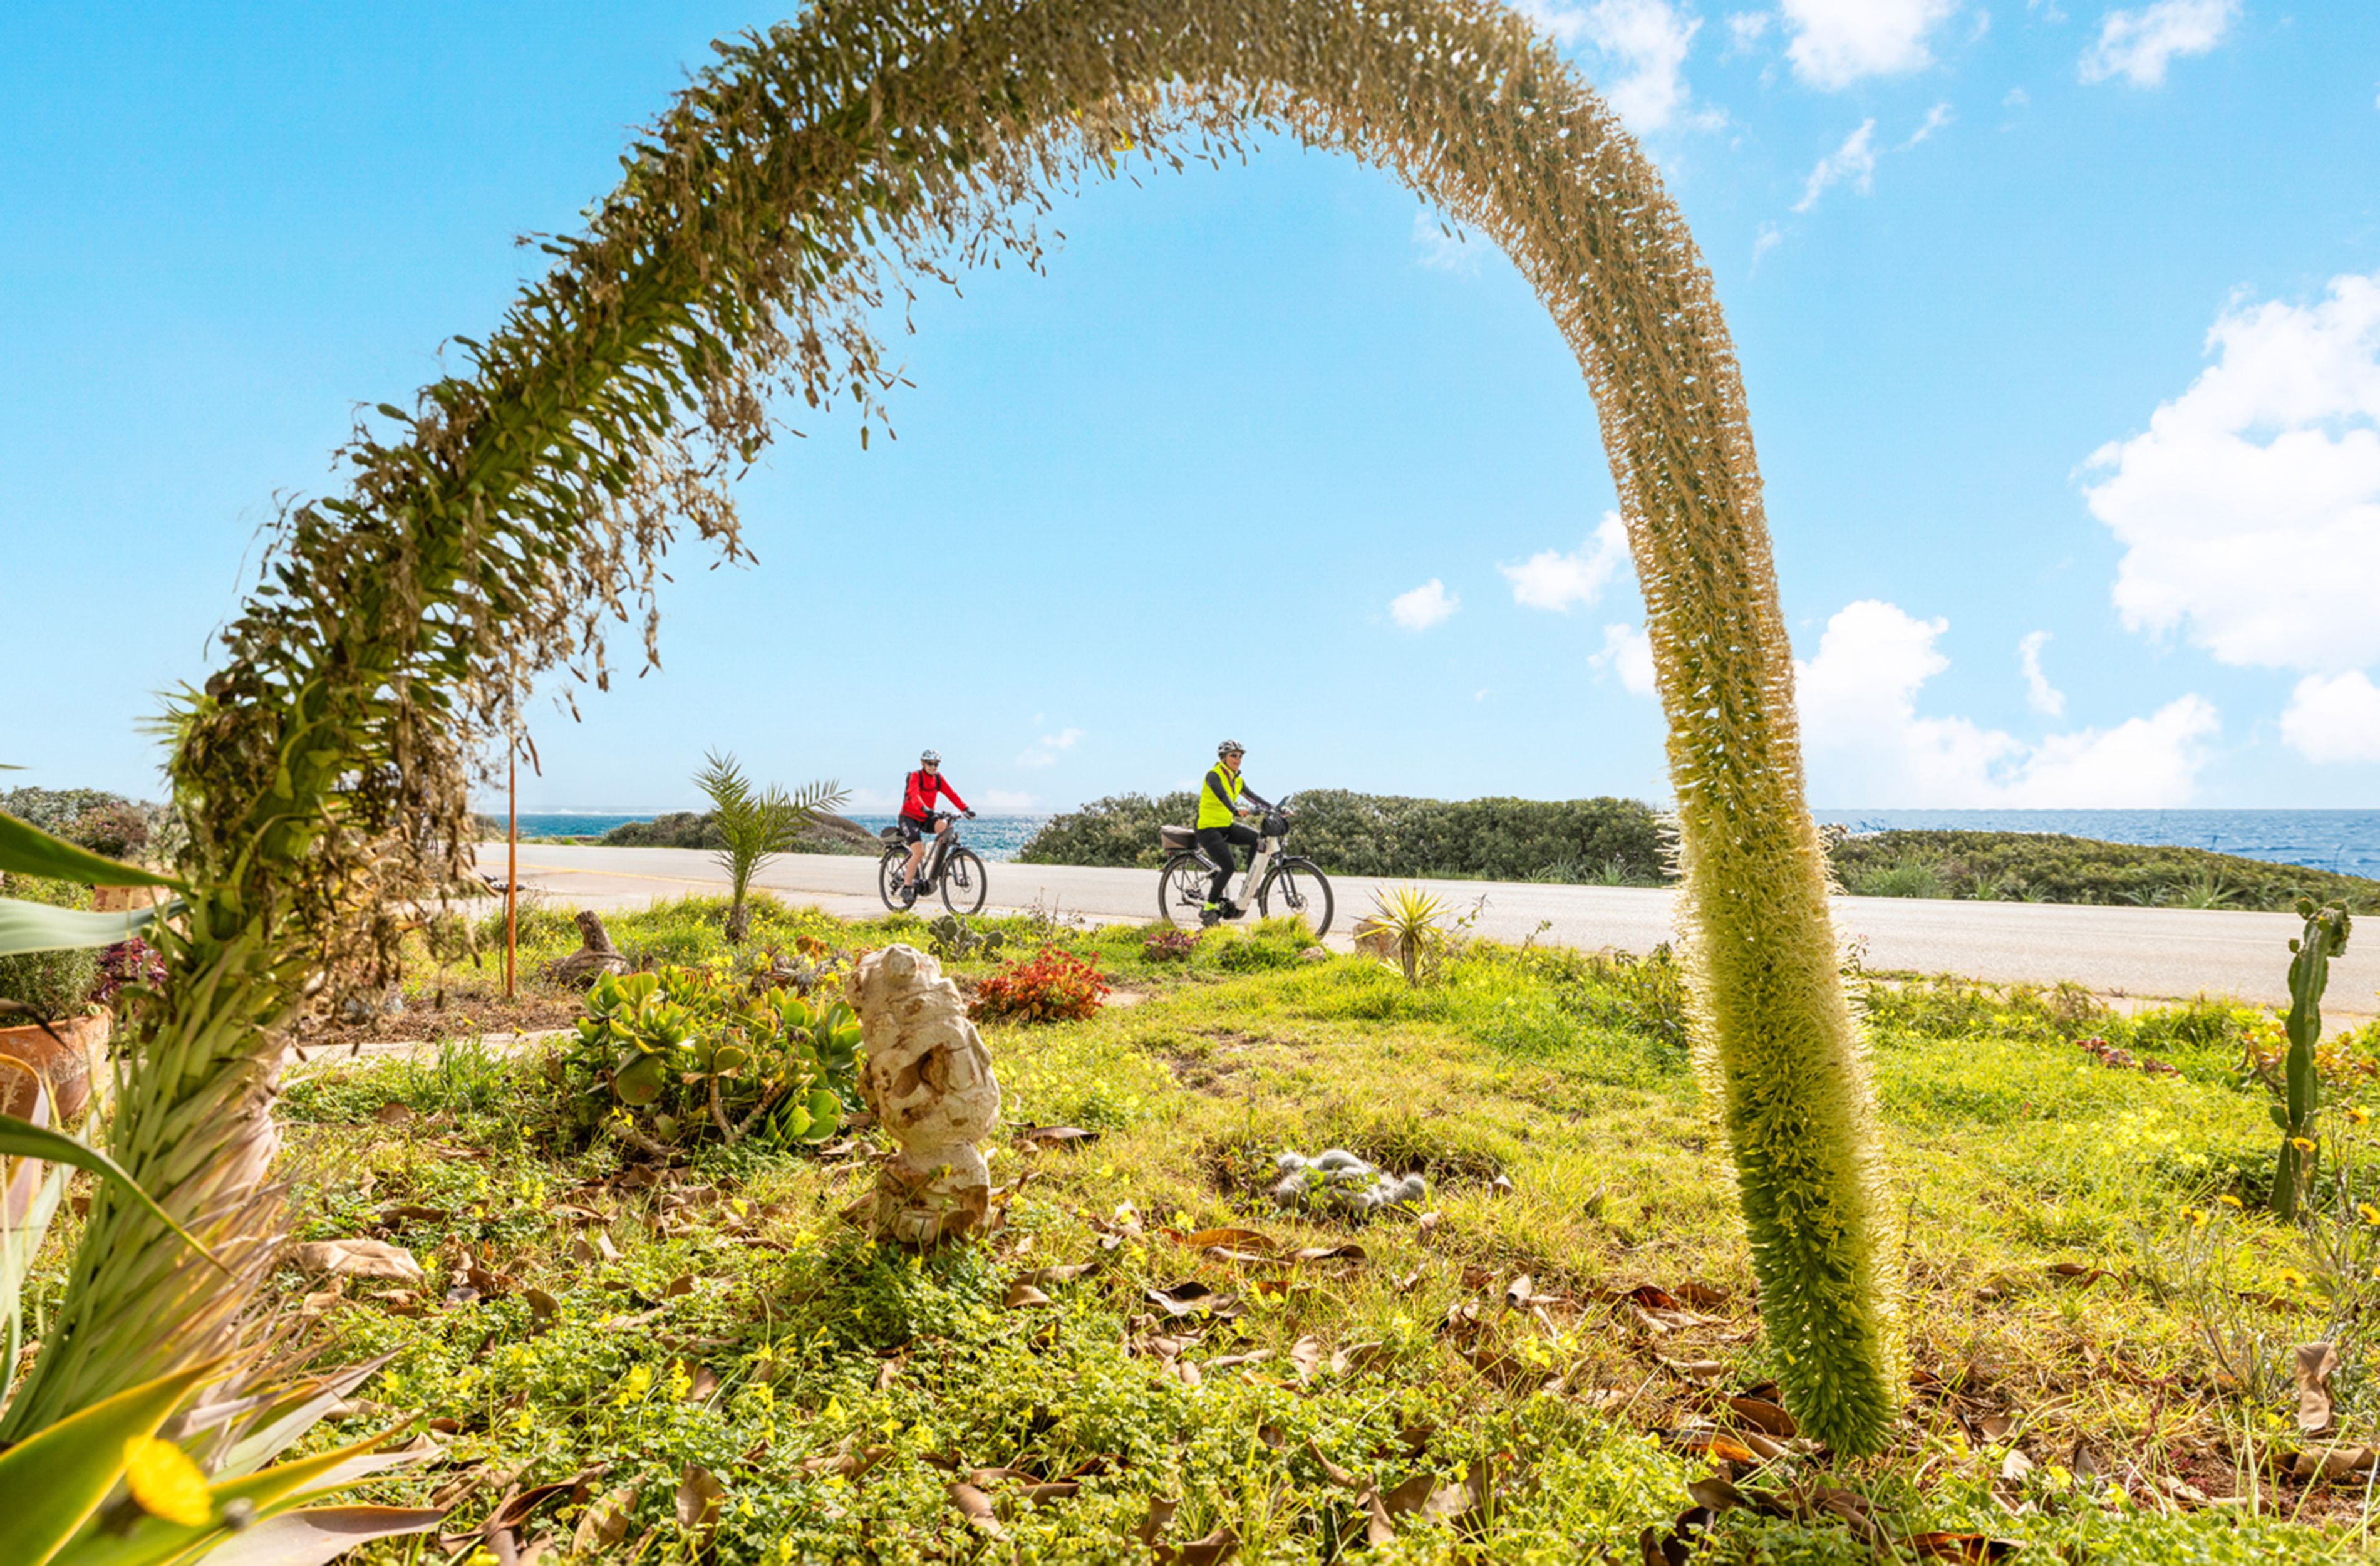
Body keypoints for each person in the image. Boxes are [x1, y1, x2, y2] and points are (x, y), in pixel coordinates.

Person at [1196, 739, 1273, 923]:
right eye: (1234, 755)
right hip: (1208, 828)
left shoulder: (1237, 779)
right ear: (1223, 758)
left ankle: (1250, 883)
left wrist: (1275, 809)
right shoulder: (1213, 775)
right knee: (1228, 866)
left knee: (1257, 839)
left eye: (1240, 756)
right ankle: (1208, 908)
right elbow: (1223, 796)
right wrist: (1235, 810)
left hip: (1225, 826)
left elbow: (1254, 798)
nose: (1238, 759)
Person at [897, 750, 973, 901]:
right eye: (930, 764)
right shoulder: (916, 776)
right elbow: (914, 794)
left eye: (936, 765)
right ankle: (907, 886)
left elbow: (951, 793)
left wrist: (965, 809)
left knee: (944, 826)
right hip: (909, 817)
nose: (933, 767)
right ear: (923, 763)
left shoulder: (938, 779)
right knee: (918, 852)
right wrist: (925, 809)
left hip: (926, 817)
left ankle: (938, 868)